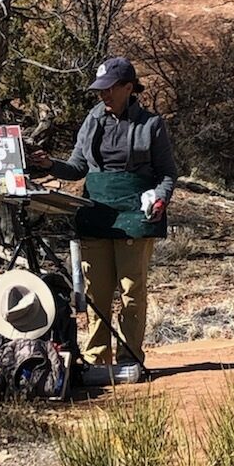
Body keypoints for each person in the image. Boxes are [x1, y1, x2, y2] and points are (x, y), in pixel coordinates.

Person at [30, 57, 178, 367]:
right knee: (95, 293)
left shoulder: (151, 124)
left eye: (110, 89)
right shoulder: (92, 120)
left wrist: (161, 198)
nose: (104, 95)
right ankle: (98, 359)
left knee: (131, 291)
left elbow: (167, 173)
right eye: (100, 90)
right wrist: (50, 165)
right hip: (95, 212)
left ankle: (130, 359)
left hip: (136, 215)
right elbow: (77, 167)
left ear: (128, 87)